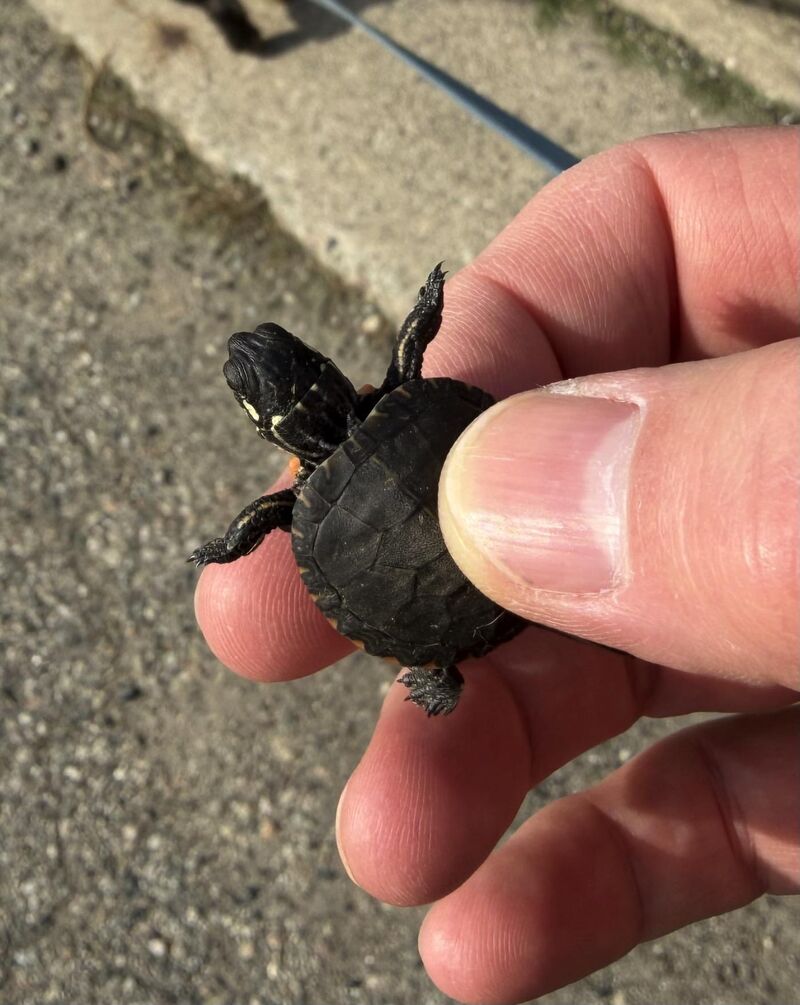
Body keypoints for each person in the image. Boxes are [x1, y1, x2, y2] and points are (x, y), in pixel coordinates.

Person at [195, 126, 799, 1004]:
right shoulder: (401, 397)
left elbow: (257, 526)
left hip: (445, 629)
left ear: (270, 427)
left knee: (418, 769)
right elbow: (416, 346)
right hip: (483, 520)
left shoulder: (300, 512)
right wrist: (430, 296)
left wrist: (218, 550)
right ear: (319, 371)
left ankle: (439, 672)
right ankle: (443, 664)